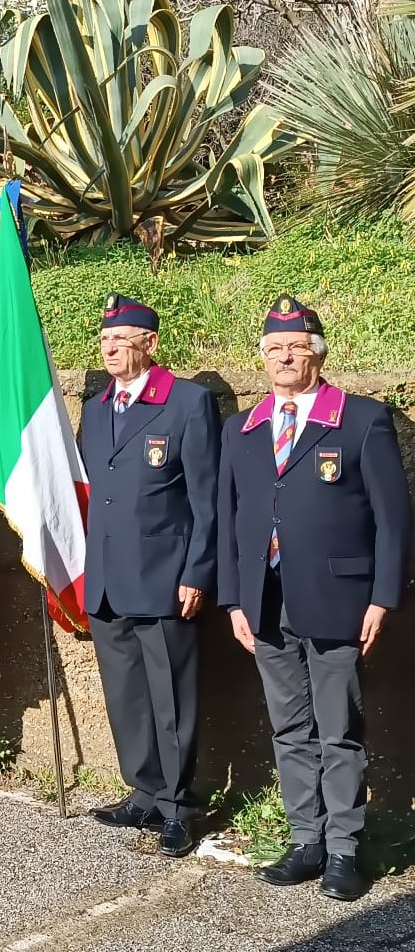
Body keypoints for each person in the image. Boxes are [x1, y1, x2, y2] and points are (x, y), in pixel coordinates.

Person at [217, 295, 409, 902]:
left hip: (338, 600)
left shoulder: (360, 420)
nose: (283, 358)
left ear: (318, 355)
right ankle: (307, 840)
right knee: (289, 727)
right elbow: (229, 520)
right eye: (273, 348)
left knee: (338, 728)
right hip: (265, 600)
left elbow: (393, 520)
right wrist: (233, 600)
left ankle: (345, 849)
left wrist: (382, 598)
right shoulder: (242, 428)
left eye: (296, 347)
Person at [77, 295, 218, 858]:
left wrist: (197, 571)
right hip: (108, 578)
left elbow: (207, 499)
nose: (110, 348)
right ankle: (145, 791)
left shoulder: (186, 403)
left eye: (121, 338)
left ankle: (179, 806)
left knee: (171, 697)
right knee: (126, 694)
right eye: (105, 340)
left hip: (164, 577)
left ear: (150, 343)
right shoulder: (95, 409)